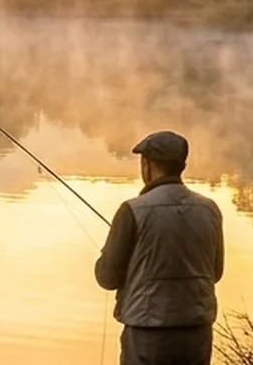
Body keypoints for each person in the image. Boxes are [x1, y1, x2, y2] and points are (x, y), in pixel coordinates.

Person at [94, 130, 224, 365]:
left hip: (147, 333)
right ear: (181, 165)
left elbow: (107, 277)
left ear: (148, 165)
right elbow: (215, 273)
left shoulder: (132, 211)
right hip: (197, 331)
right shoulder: (210, 210)